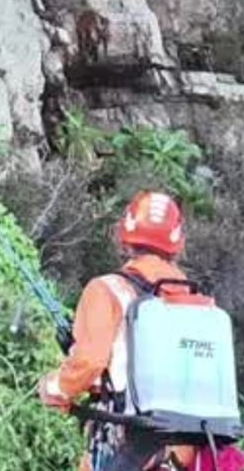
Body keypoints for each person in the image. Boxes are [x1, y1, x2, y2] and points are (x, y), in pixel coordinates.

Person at [38, 190, 199, 470]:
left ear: (124, 233)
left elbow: (90, 362)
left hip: (127, 444)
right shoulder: (197, 303)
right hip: (186, 451)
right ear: (177, 243)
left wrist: (56, 387)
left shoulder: (107, 290)